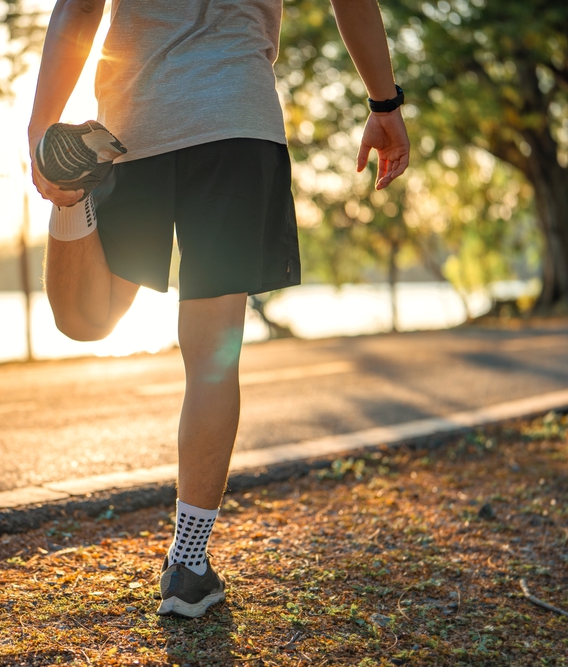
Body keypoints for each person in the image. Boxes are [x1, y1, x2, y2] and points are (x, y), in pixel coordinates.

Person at [28, 0, 409, 618]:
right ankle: (188, 565)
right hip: (236, 123)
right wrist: (384, 105)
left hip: (136, 120)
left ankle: (71, 195)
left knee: (86, 318)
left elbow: (80, 6)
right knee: (211, 358)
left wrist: (42, 129)